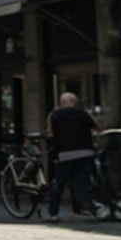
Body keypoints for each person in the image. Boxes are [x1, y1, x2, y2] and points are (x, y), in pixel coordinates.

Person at [44, 92, 101, 223]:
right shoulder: (82, 114)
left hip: (65, 154)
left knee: (59, 183)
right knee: (80, 182)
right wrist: (91, 115)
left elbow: (50, 132)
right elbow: (97, 127)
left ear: (62, 103)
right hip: (85, 152)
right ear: (75, 102)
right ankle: (88, 208)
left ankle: (53, 213)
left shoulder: (56, 115)